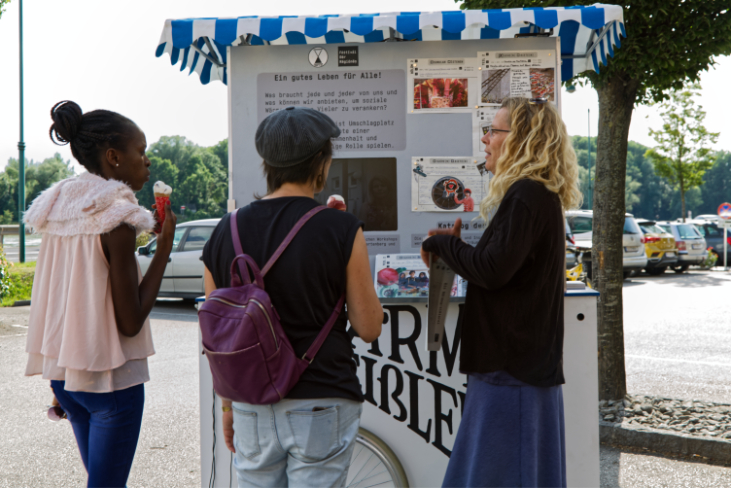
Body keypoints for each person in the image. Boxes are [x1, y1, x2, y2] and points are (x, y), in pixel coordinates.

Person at [202, 106, 383, 488]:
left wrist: (227, 405)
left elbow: (218, 338)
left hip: (251, 402)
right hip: (322, 397)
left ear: (268, 162)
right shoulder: (341, 227)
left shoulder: (224, 231)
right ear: (322, 162)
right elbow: (368, 327)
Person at [421, 97, 582, 488]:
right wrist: (456, 252)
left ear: (522, 139)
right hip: (517, 371)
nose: (485, 140)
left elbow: (492, 271)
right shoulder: (535, 196)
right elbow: (502, 268)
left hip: (512, 373)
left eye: (493, 131)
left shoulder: (526, 196)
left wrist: (444, 246)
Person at [24, 101, 177, 488]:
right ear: (113, 158)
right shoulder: (118, 215)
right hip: (111, 380)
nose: (147, 162)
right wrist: (163, 252)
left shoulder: (58, 204)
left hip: (65, 378)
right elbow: (129, 322)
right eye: (140, 152)